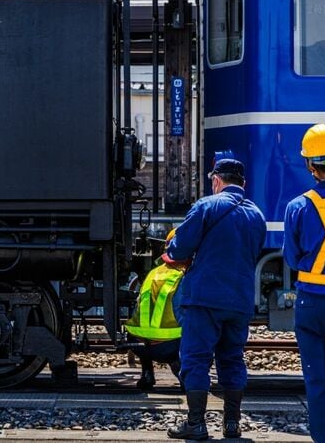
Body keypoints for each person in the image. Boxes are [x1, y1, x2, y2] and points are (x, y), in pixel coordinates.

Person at [163, 158, 267, 441]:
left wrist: (172, 249)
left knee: (195, 359)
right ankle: (232, 425)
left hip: (204, 299)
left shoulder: (206, 206)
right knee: (232, 358)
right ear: (243, 184)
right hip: (240, 301)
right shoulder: (256, 214)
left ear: (217, 181)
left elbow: (180, 247)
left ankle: (196, 423)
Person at [283, 123, 325, 443]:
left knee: (317, 382)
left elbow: (292, 259)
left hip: (310, 304)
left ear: (310, 165)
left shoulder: (297, 207)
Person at [125, 229, 184, 391]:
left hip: (138, 343)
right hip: (169, 346)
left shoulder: (153, 273)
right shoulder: (183, 276)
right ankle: (181, 370)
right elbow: (186, 317)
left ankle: (147, 374)